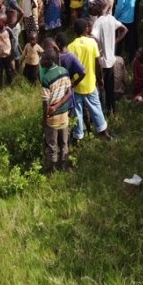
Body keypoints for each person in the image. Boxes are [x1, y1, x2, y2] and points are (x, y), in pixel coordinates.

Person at [66, 17, 113, 141]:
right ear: (85, 30)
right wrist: (100, 78)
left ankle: (78, 137)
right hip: (90, 84)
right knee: (96, 109)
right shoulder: (92, 43)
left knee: (78, 112)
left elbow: (70, 67)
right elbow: (97, 63)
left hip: (76, 86)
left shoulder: (71, 47)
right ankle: (103, 132)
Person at [39, 38, 73, 172]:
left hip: (52, 118)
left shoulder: (46, 79)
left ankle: (51, 170)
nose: (41, 62)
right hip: (64, 115)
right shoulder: (64, 71)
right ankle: (64, 165)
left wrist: (44, 118)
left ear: (50, 61)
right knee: (64, 142)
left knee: (52, 144)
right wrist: (59, 105)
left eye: (43, 60)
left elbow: (45, 104)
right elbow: (69, 93)